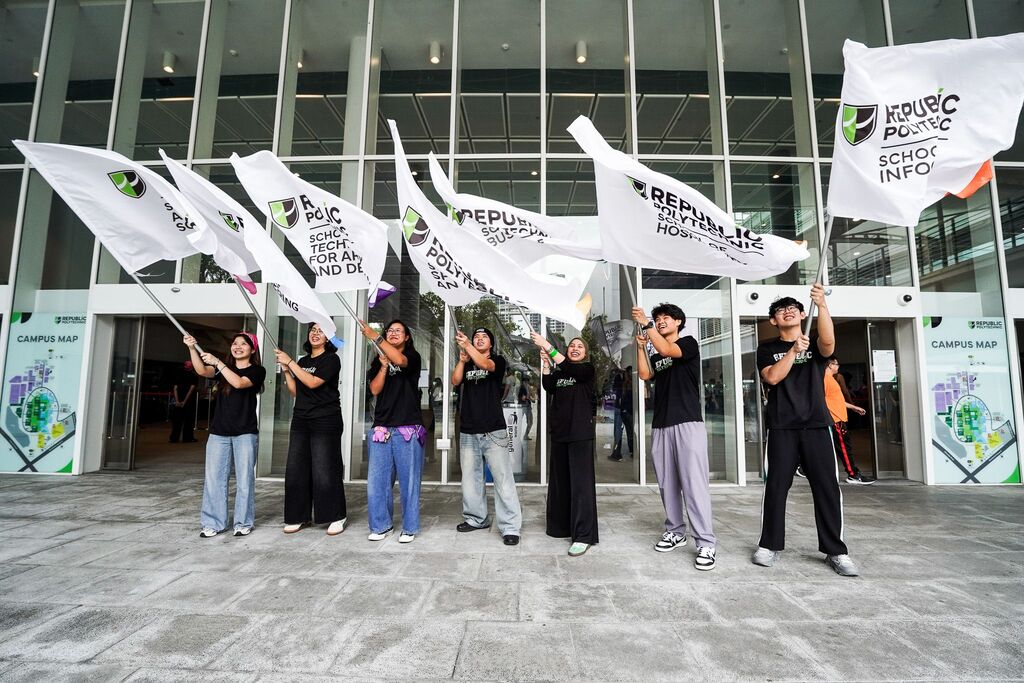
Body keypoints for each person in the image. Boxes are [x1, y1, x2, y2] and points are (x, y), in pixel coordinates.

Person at [753, 287, 859, 577]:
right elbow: (773, 377)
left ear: (802, 314)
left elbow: (828, 342)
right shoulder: (766, 348)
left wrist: (822, 305)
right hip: (782, 426)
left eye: (793, 308)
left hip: (816, 424)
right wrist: (792, 351)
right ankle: (769, 544)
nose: (787, 311)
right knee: (776, 487)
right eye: (780, 310)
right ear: (774, 321)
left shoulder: (814, 345)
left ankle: (835, 551)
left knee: (826, 488)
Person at [633, 303, 717, 571]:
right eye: (657, 319)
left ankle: (705, 542)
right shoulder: (657, 352)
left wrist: (646, 324)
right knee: (667, 483)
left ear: (679, 322)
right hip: (661, 424)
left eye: (665, 318)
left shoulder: (688, 344)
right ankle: (676, 531)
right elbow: (646, 374)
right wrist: (639, 346)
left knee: (694, 484)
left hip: (688, 423)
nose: (660, 322)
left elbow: (669, 349)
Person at [183, 332, 265, 538]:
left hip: (245, 433)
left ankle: (243, 523)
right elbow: (202, 371)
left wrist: (219, 362)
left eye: (243, 344)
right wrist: (192, 348)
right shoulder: (222, 370)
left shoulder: (257, 371)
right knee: (214, 479)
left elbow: (238, 383)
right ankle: (213, 523)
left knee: (245, 480)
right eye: (235, 343)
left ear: (252, 350)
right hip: (219, 433)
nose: (237, 347)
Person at [452, 327, 522, 546]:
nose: (479, 339)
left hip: (493, 430)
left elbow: (486, 365)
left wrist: (468, 346)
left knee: (502, 479)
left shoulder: (497, 361)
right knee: (471, 479)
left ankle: (510, 526)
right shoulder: (468, 361)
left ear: (490, 344)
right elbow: (455, 381)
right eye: (476, 337)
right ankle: (476, 519)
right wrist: (463, 360)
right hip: (468, 429)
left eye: (484, 337)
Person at [275, 324, 347, 536]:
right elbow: (297, 390)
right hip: (301, 419)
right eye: (313, 330)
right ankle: (298, 516)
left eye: (321, 331)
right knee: (296, 469)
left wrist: (289, 362)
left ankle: (336, 515)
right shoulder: (303, 361)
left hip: (326, 419)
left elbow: (313, 382)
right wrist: (287, 371)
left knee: (325, 469)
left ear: (328, 338)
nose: (315, 333)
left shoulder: (332, 360)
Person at [533, 332, 598, 556]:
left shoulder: (586, 370)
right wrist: (546, 364)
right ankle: (560, 527)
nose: (575, 348)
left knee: (581, 486)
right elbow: (549, 385)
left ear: (585, 353)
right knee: (561, 483)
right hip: (560, 434)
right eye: (572, 346)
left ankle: (583, 535)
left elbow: (573, 370)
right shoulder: (562, 372)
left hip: (580, 434)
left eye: (579, 346)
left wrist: (548, 347)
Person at [363, 319, 425, 543]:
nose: (394, 333)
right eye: (390, 331)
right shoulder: (377, 360)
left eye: (399, 330)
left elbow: (399, 359)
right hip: (381, 427)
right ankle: (381, 525)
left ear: (407, 337)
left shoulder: (413, 357)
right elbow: (375, 389)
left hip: (407, 427)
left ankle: (409, 528)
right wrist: (381, 366)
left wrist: (375, 335)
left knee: (409, 483)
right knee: (377, 482)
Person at [825, 357, 876, 485]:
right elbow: (821, 400)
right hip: (835, 419)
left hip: (839, 418)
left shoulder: (831, 379)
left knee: (844, 447)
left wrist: (853, 407)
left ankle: (853, 473)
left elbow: (836, 401)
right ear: (830, 365)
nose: (838, 366)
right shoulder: (825, 380)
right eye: (836, 364)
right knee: (844, 448)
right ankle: (853, 474)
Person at [169, 361, 198, 443]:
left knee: (177, 420)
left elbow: (175, 388)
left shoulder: (178, 375)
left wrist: (177, 401)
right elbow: (191, 389)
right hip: (189, 402)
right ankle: (187, 438)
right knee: (188, 420)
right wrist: (184, 401)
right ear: (191, 367)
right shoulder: (193, 376)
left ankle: (174, 438)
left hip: (178, 401)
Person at [610, 366, 635, 461]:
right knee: (630, 431)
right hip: (629, 409)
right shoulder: (633, 381)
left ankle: (617, 453)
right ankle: (633, 451)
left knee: (618, 430)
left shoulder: (620, 378)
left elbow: (614, 389)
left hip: (621, 408)